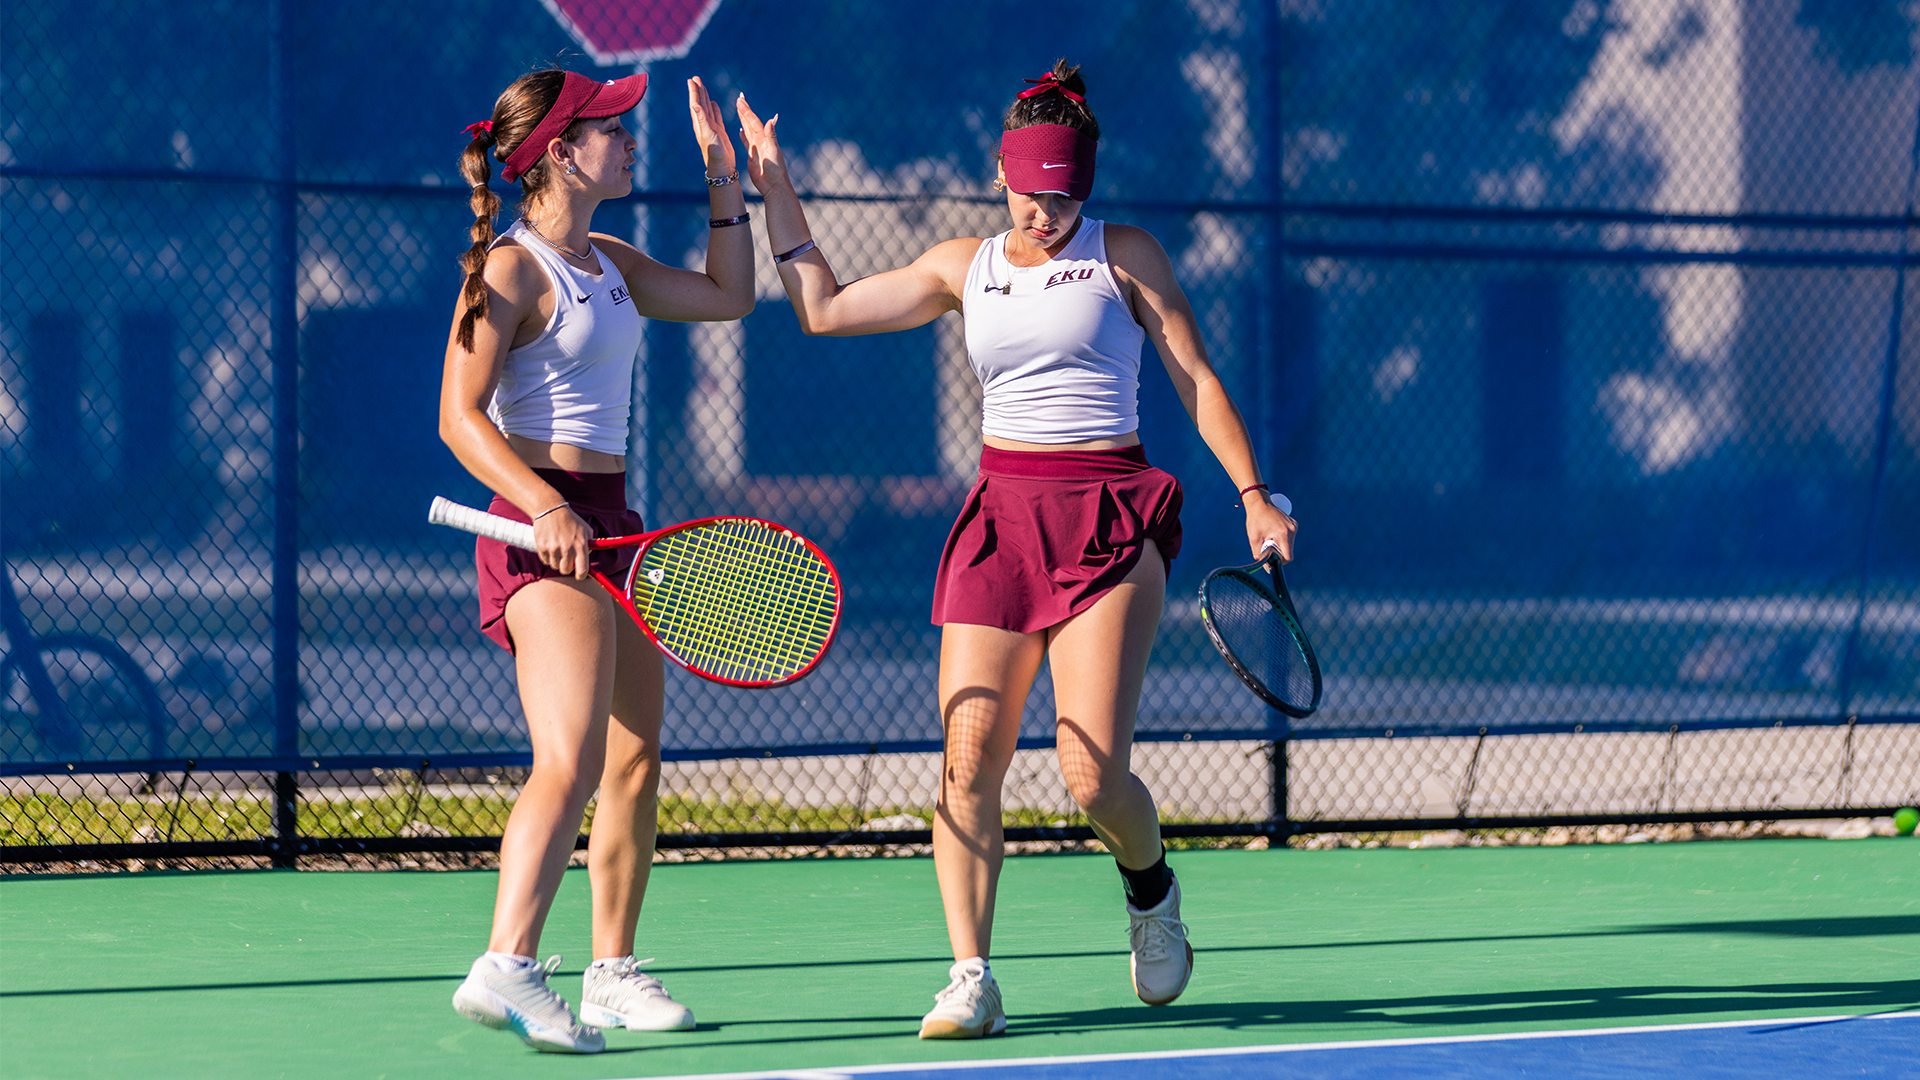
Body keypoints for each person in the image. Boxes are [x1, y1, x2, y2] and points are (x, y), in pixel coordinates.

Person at [735, 61, 1295, 1038]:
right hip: (1001, 520)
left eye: (1066, 195)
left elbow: (1197, 379)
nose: (1047, 212)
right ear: (1001, 174)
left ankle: (1151, 889)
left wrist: (1253, 495)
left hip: (1108, 516)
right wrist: (775, 188)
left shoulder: (1126, 255)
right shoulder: (963, 265)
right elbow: (821, 308)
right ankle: (971, 977)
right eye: (1033, 193)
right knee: (965, 762)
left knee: (1091, 775)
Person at [437, 68, 754, 1053]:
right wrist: (543, 506)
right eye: (611, 128)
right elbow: (459, 415)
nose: (629, 139)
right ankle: (507, 965)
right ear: (561, 152)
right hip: (542, 525)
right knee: (568, 761)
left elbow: (729, 295)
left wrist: (722, 175)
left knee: (633, 760)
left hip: (615, 525)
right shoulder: (509, 269)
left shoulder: (607, 259)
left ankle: (612, 970)